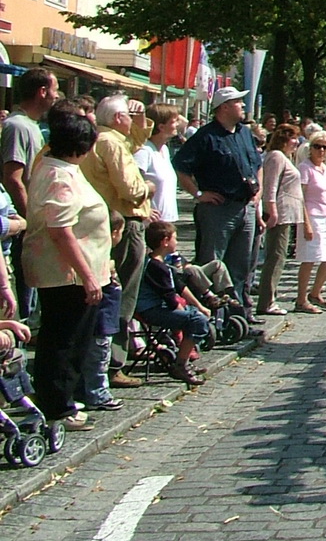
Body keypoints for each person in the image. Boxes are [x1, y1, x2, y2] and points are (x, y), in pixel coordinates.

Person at [20, 108, 109, 430]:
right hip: (65, 273)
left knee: (67, 338)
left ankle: (62, 398)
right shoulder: (61, 176)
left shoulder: (56, 166)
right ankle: (58, 405)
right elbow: (60, 230)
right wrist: (87, 276)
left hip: (72, 269)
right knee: (65, 341)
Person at [81, 94, 153, 383]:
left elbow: (137, 142)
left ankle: (105, 360)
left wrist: (139, 119)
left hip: (106, 221)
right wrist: (148, 188)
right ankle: (114, 362)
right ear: (117, 118)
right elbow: (130, 188)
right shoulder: (111, 142)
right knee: (122, 293)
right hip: (124, 221)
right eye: (129, 115)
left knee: (110, 290)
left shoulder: (102, 138)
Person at [173, 86, 262, 307]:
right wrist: (198, 194)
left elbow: (258, 164)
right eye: (237, 102)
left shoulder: (244, 132)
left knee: (242, 265)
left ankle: (238, 310)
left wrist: (258, 193)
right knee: (212, 262)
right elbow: (181, 168)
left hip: (245, 207)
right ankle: (210, 310)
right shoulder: (206, 136)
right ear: (223, 107)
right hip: (218, 210)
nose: (242, 105)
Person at [1, 67, 58, 319]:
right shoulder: (17, 126)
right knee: (24, 296)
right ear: (42, 91)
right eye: (54, 90)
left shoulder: (31, 125)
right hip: (22, 224)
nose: (57, 96)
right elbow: (13, 178)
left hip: (31, 220)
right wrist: (29, 220)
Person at [135, 221, 211, 388]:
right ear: (165, 241)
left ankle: (183, 359)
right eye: (175, 238)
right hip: (151, 310)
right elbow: (169, 298)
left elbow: (180, 287)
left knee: (197, 315)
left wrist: (199, 306)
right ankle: (181, 364)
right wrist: (189, 312)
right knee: (197, 321)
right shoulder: (155, 267)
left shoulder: (165, 265)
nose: (177, 242)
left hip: (161, 307)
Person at [257, 124, 302, 316]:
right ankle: (267, 301)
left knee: (279, 256)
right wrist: (272, 210)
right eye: (293, 138)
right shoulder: (276, 156)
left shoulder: (285, 157)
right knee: (275, 256)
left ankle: (270, 296)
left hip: (288, 213)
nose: (297, 142)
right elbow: (270, 186)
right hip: (280, 213)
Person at [295, 132, 326, 312]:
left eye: (325, 147)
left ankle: (316, 292)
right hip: (311, 217)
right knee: (310, 259)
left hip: (325, 216)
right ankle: (300, 299)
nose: (321, 150)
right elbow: (301, 197)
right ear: (310, 148)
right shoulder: (305, 168)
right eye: (317, 146)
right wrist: (306, 223)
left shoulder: (324, 168)